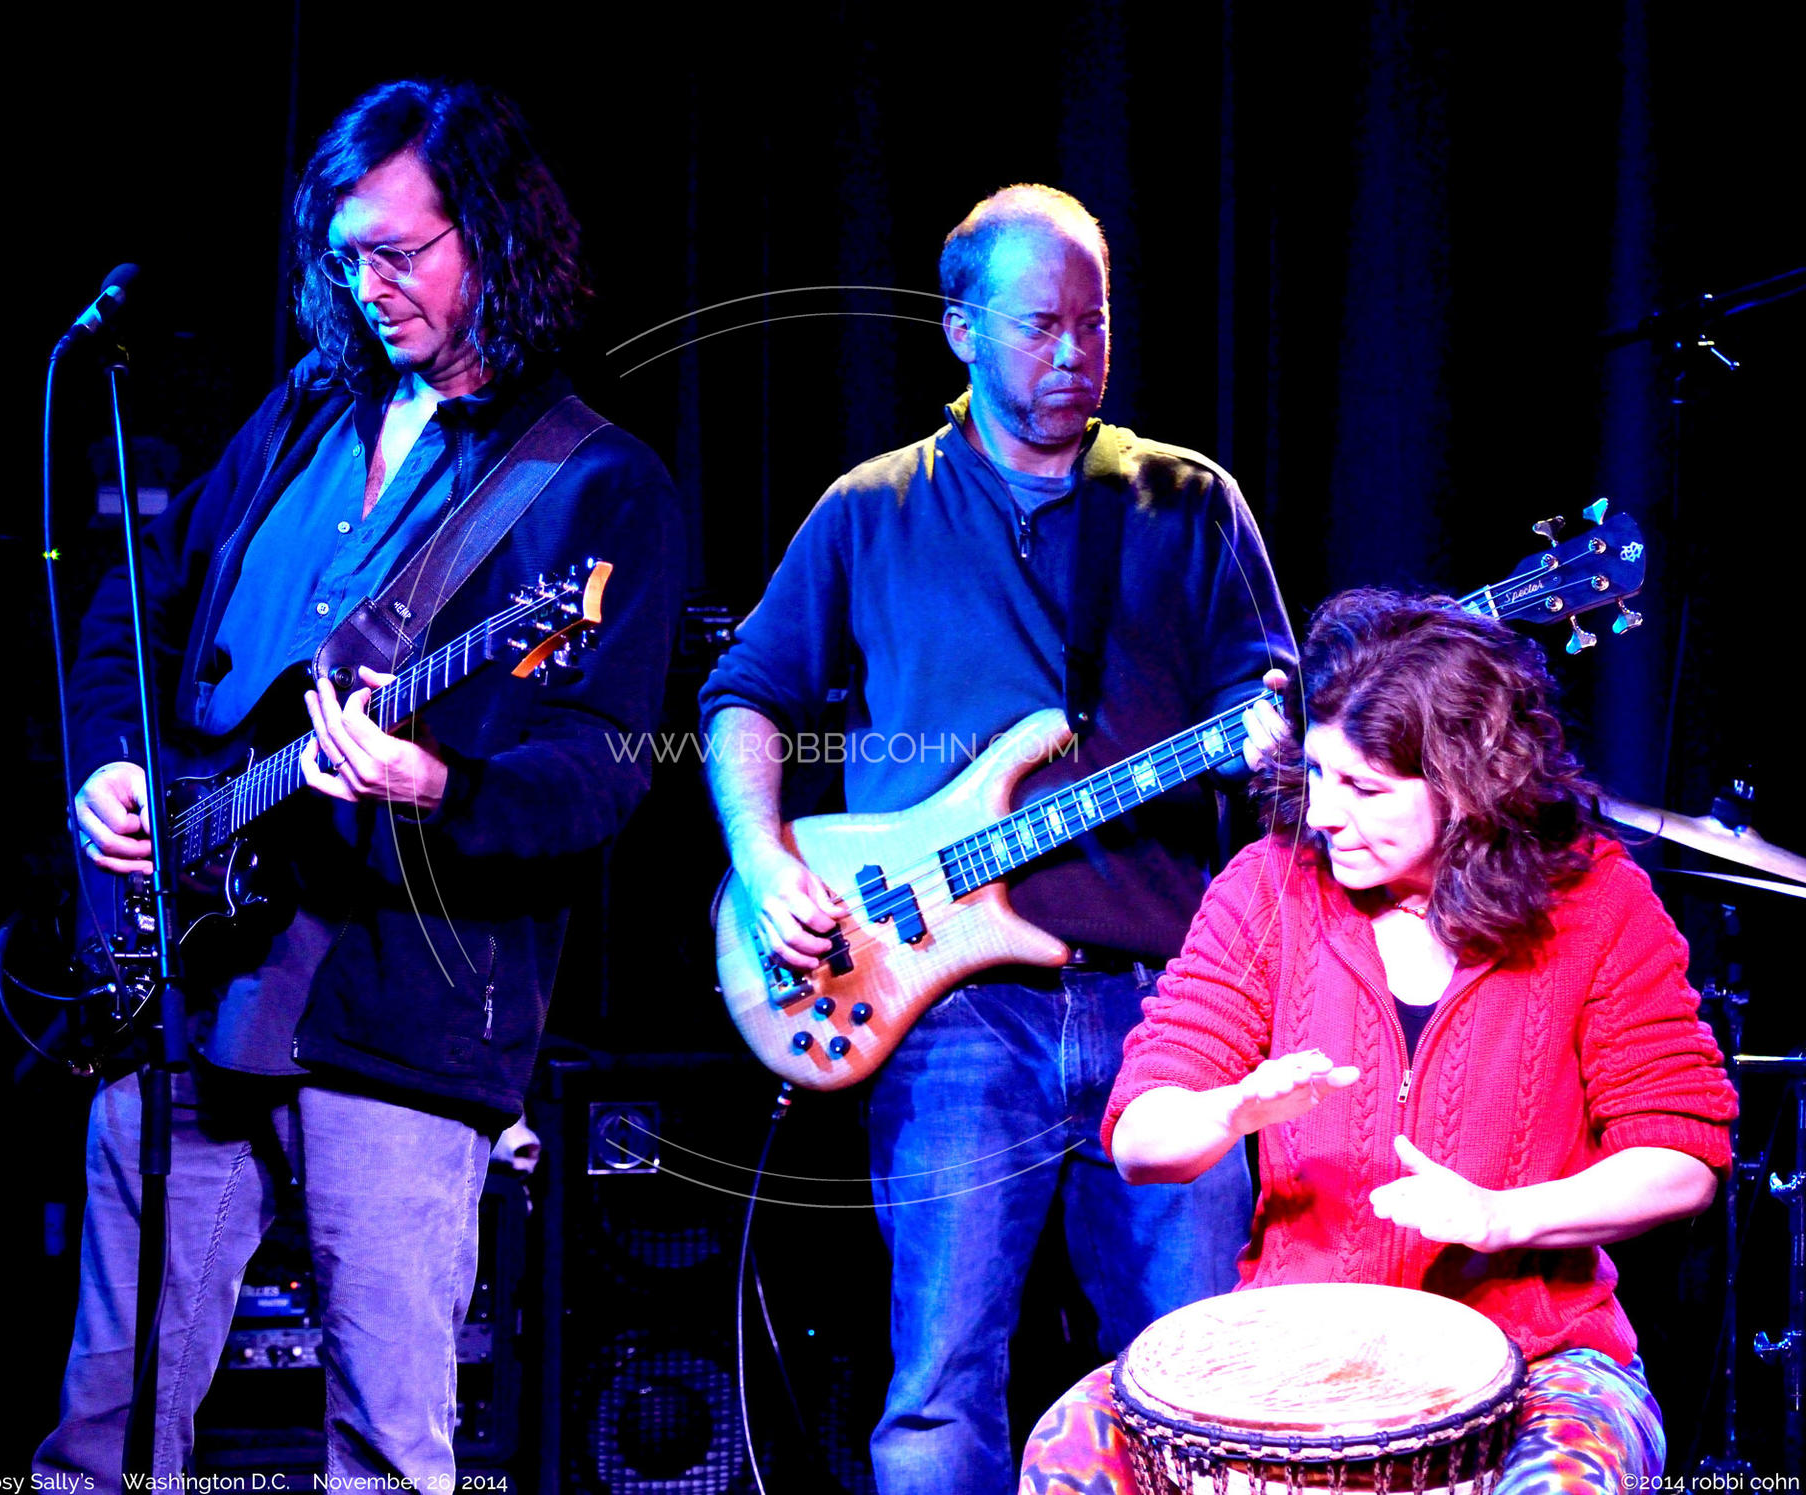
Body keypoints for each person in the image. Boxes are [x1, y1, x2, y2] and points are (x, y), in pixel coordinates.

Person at [34, 80, 682, 1485]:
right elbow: (135, 612)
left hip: (401, 1013)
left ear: (492, 237)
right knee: (103, 1433)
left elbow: (600, 773)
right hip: (187, 987)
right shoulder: (301, 417)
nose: (368, 287)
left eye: (400, 252)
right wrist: (117, 760)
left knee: (385, 1450)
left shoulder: (594, 485)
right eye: (344, 259)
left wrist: (436, 781)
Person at [700, 184, 1294, 1494]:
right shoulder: (871, 509)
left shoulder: (1188, 501)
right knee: (936, 1399)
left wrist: (1272, 739)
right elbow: (744, 693)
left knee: (1205, 1390)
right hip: (952, 1016)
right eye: (1041, 325)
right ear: (960, 329)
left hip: (1169, 1011)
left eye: (1095, 321)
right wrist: (763, 857)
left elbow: (1270, 701)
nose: (1076, 351)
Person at [1018, 589, 1737, 1495]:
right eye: (1317, 772)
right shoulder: (1269, 887)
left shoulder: (1596, 900)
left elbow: (1681, 1156)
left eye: (1363, 787)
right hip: (1293, 1351)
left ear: (1466, 784)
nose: (1323, 811)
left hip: (1543, 1355)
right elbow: (1139, 1138)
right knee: (1072, 1447)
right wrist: (1230, 1108)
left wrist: (1500, 1217)